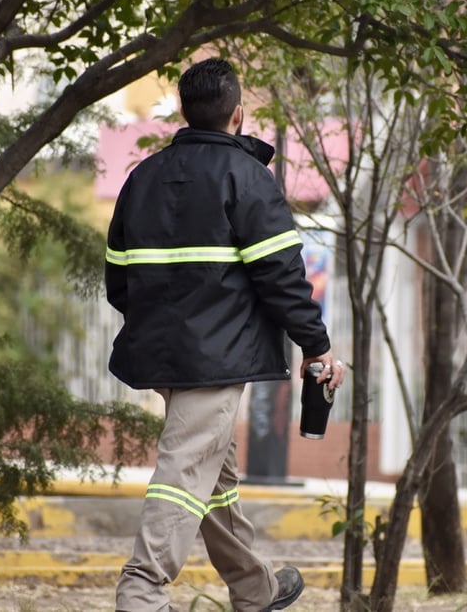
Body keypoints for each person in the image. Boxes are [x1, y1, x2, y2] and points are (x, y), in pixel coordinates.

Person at [105, 57, 345, 612]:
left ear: (185, 113)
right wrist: (318, 345)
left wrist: (162, 322)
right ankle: (140, 592)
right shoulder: (248, 179)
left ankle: (253, 588)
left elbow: (119, 280)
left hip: (162, 353)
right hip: (217, 358)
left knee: (214, 469)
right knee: (185, 467)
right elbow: (284, 278)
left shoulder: (141, 178)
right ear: (239, 114)